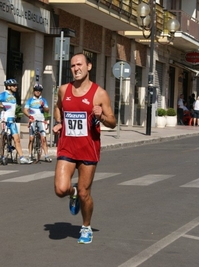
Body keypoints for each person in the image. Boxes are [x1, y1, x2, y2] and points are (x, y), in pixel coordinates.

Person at [52, 53, 116, 244]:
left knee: (84, 192)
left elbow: (112, 121)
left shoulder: (99, 93)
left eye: (79, 64)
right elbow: (58, 107)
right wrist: (59, 123)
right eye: (72, 66)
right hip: (67, 147)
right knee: (60, 189)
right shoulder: (64, 90)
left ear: (89, 66)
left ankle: (86, 227)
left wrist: (101, 116)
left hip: (89, 148)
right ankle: (71, 195)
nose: (76, 68)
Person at [0, 79, 33, 165]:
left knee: (17, 139)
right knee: (3, 138)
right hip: (4, 120)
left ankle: (22, 158)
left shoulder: (13, 96)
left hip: (12, 120)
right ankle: (2, 156)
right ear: (8, 87)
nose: (16, 87)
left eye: (16, 85)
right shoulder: (3, 94)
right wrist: (1, 106)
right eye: (14, 86)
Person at [23, 83, 52, 162]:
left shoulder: (43, 100)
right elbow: (25, 110)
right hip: (33, 120)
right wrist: (29, 116)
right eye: (36, 90)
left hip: (41, 120)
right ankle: (29, 155)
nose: (37, 92)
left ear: (41, 92)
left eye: (39, 91)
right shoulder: (30, 100)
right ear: (33, 91)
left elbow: (47, 110)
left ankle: (46, 156)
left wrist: (43, 106)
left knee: (44, 138)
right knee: (31, 139)